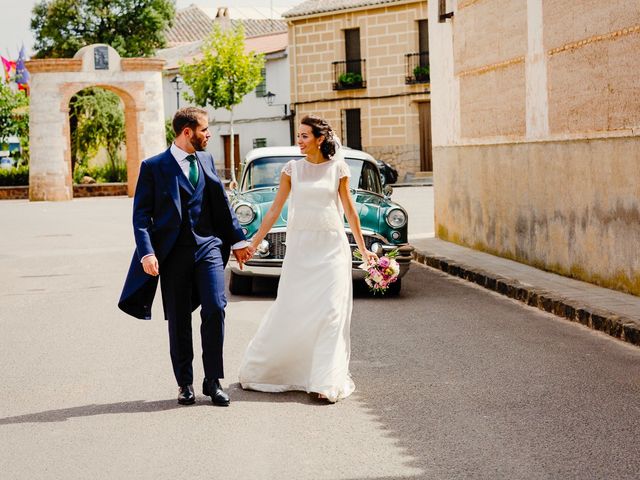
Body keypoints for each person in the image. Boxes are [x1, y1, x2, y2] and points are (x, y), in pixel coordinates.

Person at [118, 107, 254, 407]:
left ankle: (213, 380)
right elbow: (141, 217)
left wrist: (238, 240)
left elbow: (221, 206)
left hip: (208, 248)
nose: (209, 134)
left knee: (215, 308)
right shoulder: (154, 167)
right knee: (178, 318)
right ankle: (185, 383)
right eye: (205, 129)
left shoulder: (205, 160)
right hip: (174, 253)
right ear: (187, 132)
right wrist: (147, 253)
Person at [238, 115, 377, 403]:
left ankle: (324, 381)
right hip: (302, 249)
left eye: (304, 136)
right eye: (298, 135)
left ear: (320, 138)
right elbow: (275, 210)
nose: (298, 141)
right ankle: (274, 368)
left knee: (330, 312)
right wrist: (253, 243)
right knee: (293, 307)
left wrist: (363, 251)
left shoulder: (338, 169)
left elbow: (350, 212)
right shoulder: (292, 170)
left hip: (332, 249)